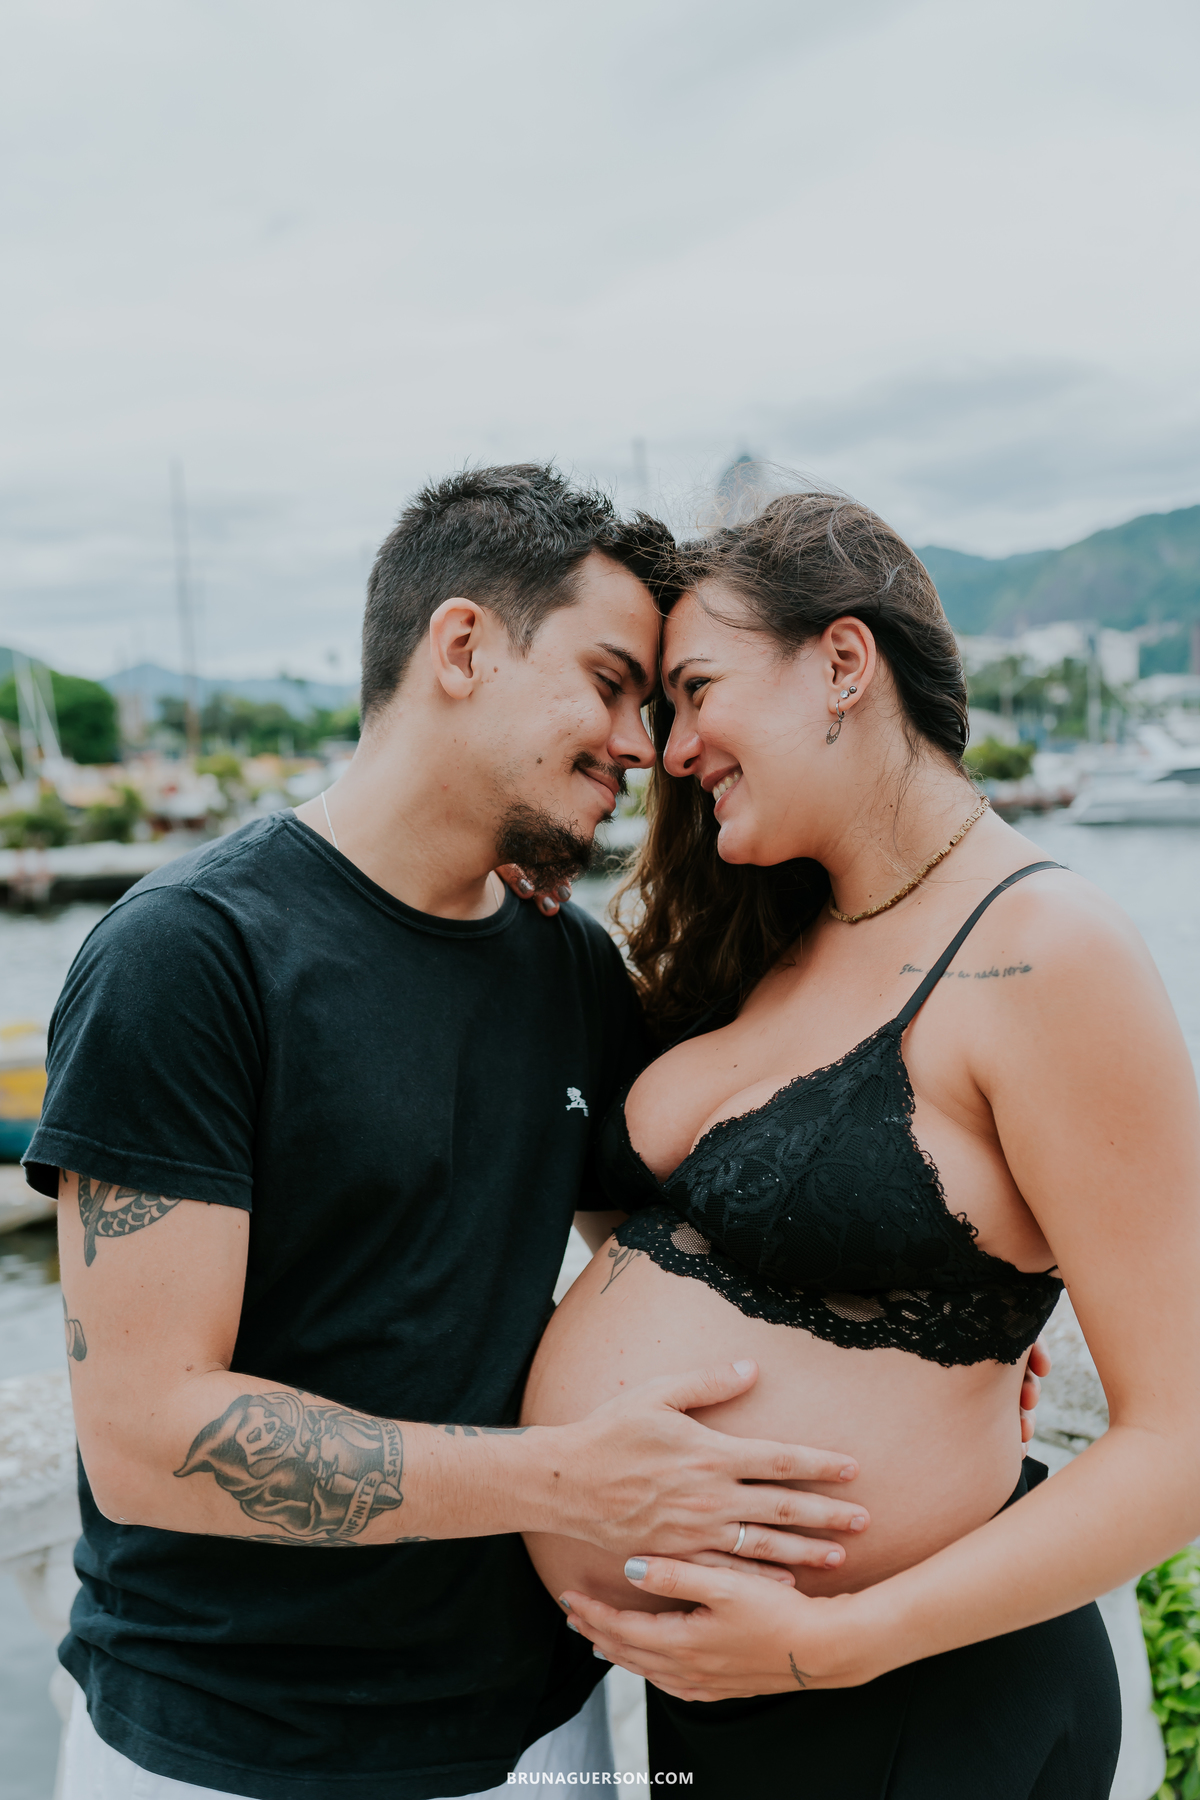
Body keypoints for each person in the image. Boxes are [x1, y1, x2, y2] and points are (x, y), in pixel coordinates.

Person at [26, 466, 875, 1800]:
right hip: (233, 1751)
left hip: (542, 1732)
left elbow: (681, 1267)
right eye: (607, 684)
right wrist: (564, 1483)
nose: (642, 747)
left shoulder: (571, 968)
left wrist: (930, 1325)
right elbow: (145, 1441)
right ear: (464, 646)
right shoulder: (190, 958)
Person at [526, 491, 1200, 1798]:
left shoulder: (1048, 952)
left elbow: (1184, 1440)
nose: (673, 751)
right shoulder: (777, 934)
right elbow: (688, 1237)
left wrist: (830, 1644)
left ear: (842, 663)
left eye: (698, 689)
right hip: (716, 1712)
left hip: (907, 1697)